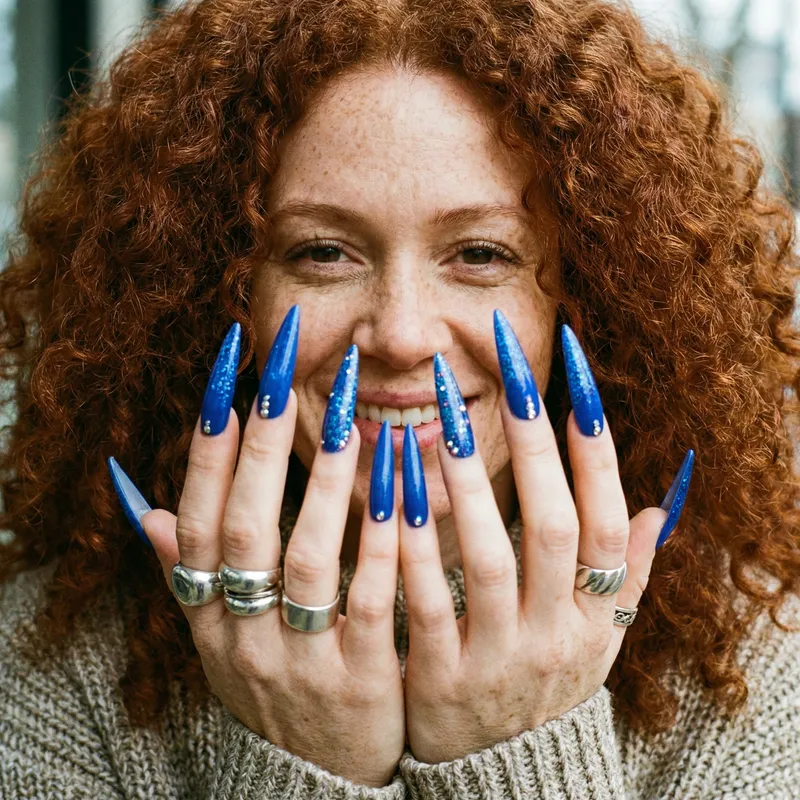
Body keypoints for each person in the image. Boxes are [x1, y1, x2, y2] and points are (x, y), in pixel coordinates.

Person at [0, 0, 798, 796]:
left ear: (593, 295)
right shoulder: (52, 657)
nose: (403, 334)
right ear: (216, 290)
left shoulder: (758, 663)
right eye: (322, 252)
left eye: (481, 254)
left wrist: (519, 748)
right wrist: (311, 757)